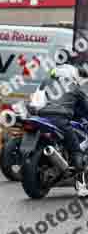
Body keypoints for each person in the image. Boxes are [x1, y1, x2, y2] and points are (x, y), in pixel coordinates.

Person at [36, 63, 88, 196]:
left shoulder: (47, 86)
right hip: (60, 121)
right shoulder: (75, 89)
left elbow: (36, 102)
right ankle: (81, 186)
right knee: (77, 152)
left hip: (41, 116)